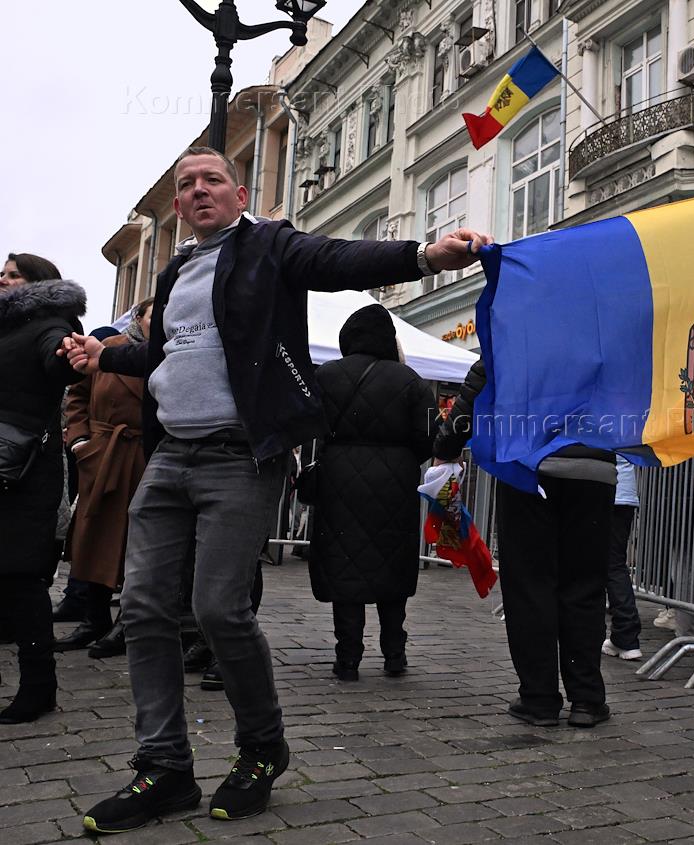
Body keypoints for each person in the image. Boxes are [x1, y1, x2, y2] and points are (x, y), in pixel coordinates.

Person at [62, 145, 491, 834]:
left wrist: (423, 256)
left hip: (239, 453)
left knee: (218, 608)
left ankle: (262, 749)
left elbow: (338, 259)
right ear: (180, 206)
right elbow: (168, 354)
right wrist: (105, 354)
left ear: (239, 196)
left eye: (212, 179)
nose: (198, 190)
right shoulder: (175, 272)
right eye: (187, 184)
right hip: (171, 455)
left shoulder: (270, 247)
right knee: (141, 607)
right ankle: (164, 766)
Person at [433, 359, 615, 728]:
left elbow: (479, 383)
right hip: (593, 462)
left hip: (528, 465)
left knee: (530, 584)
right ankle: (586, 698)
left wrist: (448, 444)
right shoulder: (601, 329)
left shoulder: (518, 325)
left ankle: (539, 697)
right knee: (584, 583)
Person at [308, 304, 436, 681]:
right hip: (396, 484)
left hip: (338, 482)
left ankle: (347, 658)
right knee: (391, 566)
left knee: (345, 566)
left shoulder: (327, 375)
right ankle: (395, 653)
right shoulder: (410, 380)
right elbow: (429, 436)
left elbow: (309, 423)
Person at [0, 252, 85, 723]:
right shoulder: (7, 327)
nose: (3, 279)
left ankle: (38, 687)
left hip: (25, 470)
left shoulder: (51, 323)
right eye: (3, 273)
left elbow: (61, 358)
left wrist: (69, 356)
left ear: (36, 283)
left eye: (13, 275)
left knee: (23, 577)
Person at [55, 299, 154, 659]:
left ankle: (127, 623)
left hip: (145, 458)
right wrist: (81, 441)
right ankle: (93, 618)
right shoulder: (109, 348)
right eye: (153, 315)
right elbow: (77, 397)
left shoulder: (168, 354)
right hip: (105, 455)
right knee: (94, 538)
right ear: (138, 318)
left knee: (137, 544)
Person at [602, 456, 642, 661]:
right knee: (615, 565)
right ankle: (626, 635)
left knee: (591, 565)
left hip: (597, 485)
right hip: (624, 490)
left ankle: (596, 631)